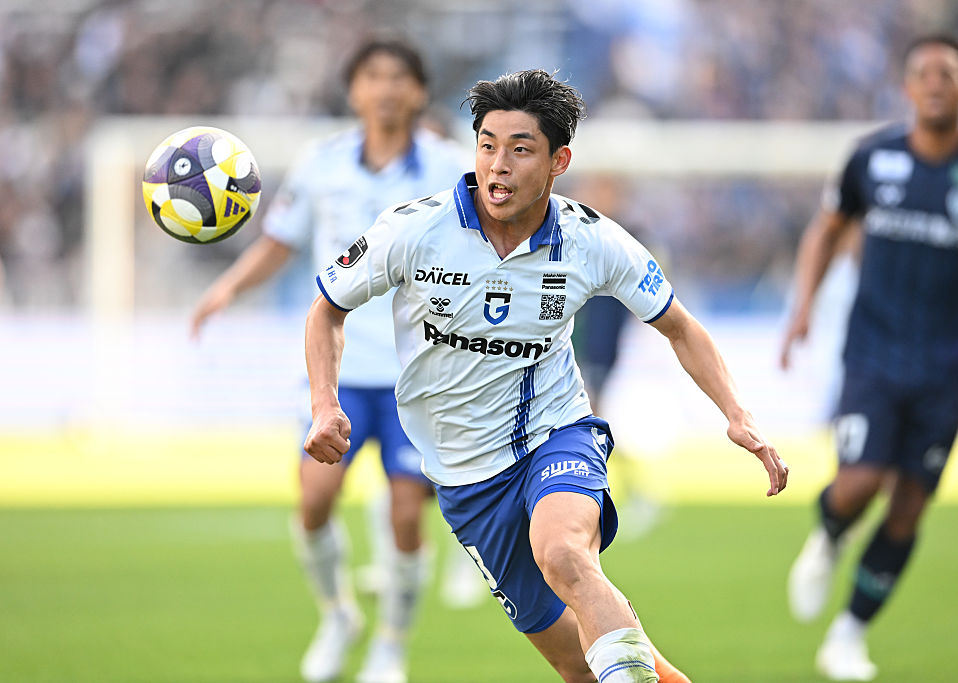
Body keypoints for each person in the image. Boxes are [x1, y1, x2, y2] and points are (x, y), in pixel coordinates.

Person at [304, 68, 788, 683]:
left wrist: (738, 416)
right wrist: (324, 403)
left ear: (559, 161)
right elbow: (327, 309)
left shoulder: (592, 240)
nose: (498, 165)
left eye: (520, 149)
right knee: (578, 666)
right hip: (465, 480)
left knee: (564, 554)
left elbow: (681, 327)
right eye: (487, 145)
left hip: (555, 436)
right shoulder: (414, 229)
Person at [190, 38, 468, 683]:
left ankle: (392, 644)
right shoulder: (322, 164)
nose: (386, 88)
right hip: (335, 370)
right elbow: (280, 240)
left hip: (418, 376)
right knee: (314, 500)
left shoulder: (451, 168)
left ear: (420, 92)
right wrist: (227, 288)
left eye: (399, 77)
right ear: (354, 91)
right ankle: (339, 613)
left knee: (406, 514)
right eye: (373, 76)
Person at [780, 33, 958, 682]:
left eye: (949, 72)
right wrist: (803, 306)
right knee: (859, 483)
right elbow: (827, 229)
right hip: (873, 354)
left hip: (946, 366)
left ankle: (848, 634)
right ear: (909, 88)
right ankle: (830, 532)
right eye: (925, 72)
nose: (936, 82)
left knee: (910, 505)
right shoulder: (872, 158)